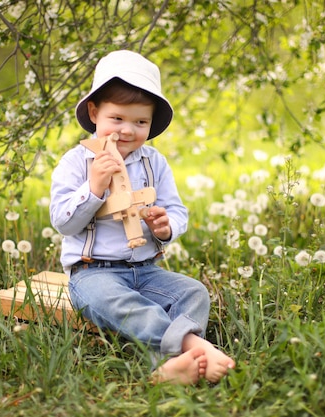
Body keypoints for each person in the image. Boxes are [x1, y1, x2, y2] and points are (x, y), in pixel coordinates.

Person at [50, 50, 235, 384]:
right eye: (117, 119)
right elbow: (63, 223)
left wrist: (165, 228)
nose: (127, 131)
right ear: (94, 112)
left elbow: (177, 210)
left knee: (193, 292)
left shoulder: (154, 162)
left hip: (146, 270)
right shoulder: (76, 163)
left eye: (140, 122)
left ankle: (166, 367)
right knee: (118, 303)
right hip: (93, 274)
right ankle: (192, 344)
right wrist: (93, 188)